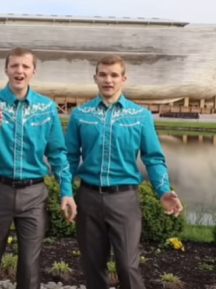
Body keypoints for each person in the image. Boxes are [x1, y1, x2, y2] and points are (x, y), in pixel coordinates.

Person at [65, 55, 183, 289]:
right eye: (103, 74)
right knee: (93, 265)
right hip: (88, 198)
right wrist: (65, 191)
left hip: (125, 199)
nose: (108, 79)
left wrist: (163, 190)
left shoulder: (140, 116)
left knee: (127, 266)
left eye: (114, 75)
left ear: (123, 78)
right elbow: (68, 157)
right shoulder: (80, 115)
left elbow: (153, 157)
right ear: (95, 78)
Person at [0, 47, 77, 289]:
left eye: (25, 66)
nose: (19, 70)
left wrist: (66, 191)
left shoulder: (47, 107)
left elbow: (58, 154)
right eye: (15, 66)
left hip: (33, 195)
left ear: (33, 71)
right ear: (6, 69)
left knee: (29, 263)